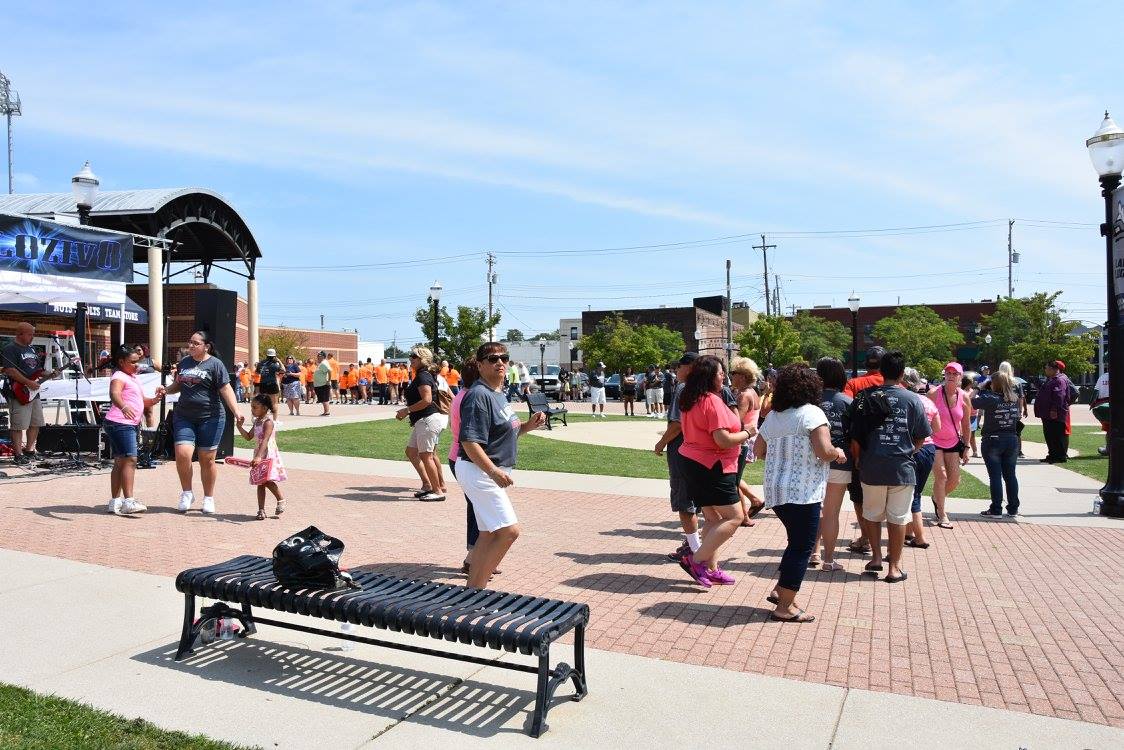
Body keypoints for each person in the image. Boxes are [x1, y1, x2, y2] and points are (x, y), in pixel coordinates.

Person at [756, 364, 846, 621]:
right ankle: (784, 606)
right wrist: (838, 453)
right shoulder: (812, 414)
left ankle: (781, 591)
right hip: (803, 492)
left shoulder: (774, 416)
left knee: (795, 543)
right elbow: (824, 451)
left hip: (777, 490)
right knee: (802, 547)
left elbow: (759, 450)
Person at [456, 342, 547, 587]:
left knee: (488, 533)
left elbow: (503, 434)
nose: (500, 362)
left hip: (486, 471)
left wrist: (529, 425)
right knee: (508, 531)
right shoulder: (478, 395)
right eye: (492, 358)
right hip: (480, 471)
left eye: (504, 358)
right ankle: (479, 589)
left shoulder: (497, 393)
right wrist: (493, 472)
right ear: (480, 364)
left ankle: (472, 593)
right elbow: (469, 442)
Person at [850, 351, 931, 583]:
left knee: (873, 514)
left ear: (880, 372)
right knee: (898, 518)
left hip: (871, 466)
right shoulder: (913, 399)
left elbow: (855, 434)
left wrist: (860, 458)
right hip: (901, 468)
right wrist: (908, 451)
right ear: (902, 373)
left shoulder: (864, 397)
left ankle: (876, 558)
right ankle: (893, 567)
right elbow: (921, 437)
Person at [674, 355, 751, 588]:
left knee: (713, 517)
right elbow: (723, 439)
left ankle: (711, 567)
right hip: (712, 466)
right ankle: (695, 560)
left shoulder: (691, 397)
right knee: (735, 517)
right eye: (720, 373)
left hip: (694, 463)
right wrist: (748, 432)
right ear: (710, 376)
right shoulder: (711, 401)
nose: (724, 377)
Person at [164, 330, 240, 514]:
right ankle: (187, 493)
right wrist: (165, 390)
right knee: (182, 454)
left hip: (211, 417)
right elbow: (178, 385)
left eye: (195, 343)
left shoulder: (215, 364)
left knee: (207, 460)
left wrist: (237, 412)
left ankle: (208, 497)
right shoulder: (184, 363)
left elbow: (226, 389)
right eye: (190, 342)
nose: (191, 345)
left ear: (206, 346)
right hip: (184, 416)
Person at [103, 345, 165, 515]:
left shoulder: (132, 377)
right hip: (121, 423)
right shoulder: (119, 376)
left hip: (121, 424)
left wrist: (154, 400)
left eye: (138, 362)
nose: (137, 366)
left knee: (120, 462)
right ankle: (129, 501)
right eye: (133, 362)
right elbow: (114, 394)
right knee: (130, 459)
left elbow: (142, 400)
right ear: (121, 362)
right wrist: (123, 407)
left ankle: (114, 502)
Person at [448, 358, 495, 576]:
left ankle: (477, 556)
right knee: (481, 509)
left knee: (478, 509)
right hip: (468, 459)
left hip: (461, 457)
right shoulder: (472, 398)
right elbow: (470, 437)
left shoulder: (463, 395)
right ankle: (474, 559)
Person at [655, 353, 702, 562]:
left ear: (690, 367)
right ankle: (693, 545)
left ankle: (696, 551)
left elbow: (677, 424)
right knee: (699, 503)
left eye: (680, 366)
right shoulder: (708, 389)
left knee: (685, 504)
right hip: (700, 452)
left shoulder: (684, 388)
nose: (677, 370)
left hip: (682, 451)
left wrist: (660, 443)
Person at [813, 357, 854, 570]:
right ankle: (828, 560)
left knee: (813, 509)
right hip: (840, 461)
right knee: (831, 512)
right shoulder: (847, 402)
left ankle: (813, 551)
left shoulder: (810, 402)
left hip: (811, 462)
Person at [397, 346, 447, 502]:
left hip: (428, 419)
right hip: (422, 420)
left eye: (414, 356)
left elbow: (427, 400)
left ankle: (437, 491)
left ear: (422, 359)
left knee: (427, 455)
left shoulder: (423, 376)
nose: (411, 358)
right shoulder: (421, 375)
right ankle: (428, 485)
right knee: (411, 452)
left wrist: (407, 410)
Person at [927, 362, 971, 529]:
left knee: (955, 480)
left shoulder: (964, 396)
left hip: (953, 442)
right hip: (934, 441)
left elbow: (966, 425)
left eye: (955, 373)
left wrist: (967, 448)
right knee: (942, 476)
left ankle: (937, 498)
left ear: (960, 377)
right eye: (948, 373)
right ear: (944, 375)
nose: (951, 376)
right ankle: (942, 515)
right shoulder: (933, 394)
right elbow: (925, 417)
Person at [974, 369, 1022, 518]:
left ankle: (996, 509)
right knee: (1010, 475)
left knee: (995, 476)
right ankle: (1013, 508)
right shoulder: (1014, 399)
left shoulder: (991, 398)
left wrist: (979, 387)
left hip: (993, 440)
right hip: (1012, 439)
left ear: (994, 384)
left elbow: (971, 401)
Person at [1, 322, 49, 465]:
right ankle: (18, 454)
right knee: (18, 424)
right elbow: (10, 370)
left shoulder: (32, 349)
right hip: (18, 392)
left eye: (33, 334)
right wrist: (28, 382)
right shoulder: (10, 349)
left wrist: (51, 374)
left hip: (34, 393)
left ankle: (29, 451)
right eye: (30, 334)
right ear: (20, 333)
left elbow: (39, 370)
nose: (32, 337)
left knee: (36, 422)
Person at [233, 394, 287, 519]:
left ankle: (281, 499)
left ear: (264, 408)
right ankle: (261, 510)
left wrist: (259, 457)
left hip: (268, 453)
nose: (252, 410)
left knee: (266, 480)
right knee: (260, 482)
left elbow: (265, 440)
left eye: (255, 407)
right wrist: (239, 427)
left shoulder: (268, 422)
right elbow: (248, 437)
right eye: (252, 407)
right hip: (259, 453)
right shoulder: (257, 422)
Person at [901, 368, 938, 549]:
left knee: (912, 495)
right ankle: (908, 532)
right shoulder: (928, 402)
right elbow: (936, 428)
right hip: (930, 449)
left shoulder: (908, 401)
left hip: (913, 449)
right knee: (916, 492)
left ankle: (920, 537)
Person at [729, 357, 765, 527]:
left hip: (742, 440)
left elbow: (737, 421)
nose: (730, 376)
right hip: (749, 439)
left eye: (733, 373)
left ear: (742, 376)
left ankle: (744, 516)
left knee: (733, 479)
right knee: (736, 476)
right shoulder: (753, 392)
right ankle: (754, 500)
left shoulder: (744, 395)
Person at [1035, 360, 1075, 463]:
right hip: (1047, 413)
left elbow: (1059, 396)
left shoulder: (1059, 380)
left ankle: (1060, 456)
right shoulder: (1051, 379)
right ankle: (1052, 455)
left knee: (1056, 435)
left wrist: (1054, 409)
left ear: (1053, 369)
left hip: (1054, 414)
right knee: (1050, 435)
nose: (1045, 370)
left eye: (1047, 368)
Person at [256, 349, 283, 416]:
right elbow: (283, 370)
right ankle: (274, 420)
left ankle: (262, 417)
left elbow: (257, 372)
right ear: (274, 356)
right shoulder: (274, 364)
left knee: (263, 402)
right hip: (272, 384)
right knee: (274, 403)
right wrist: (279, 361)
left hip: (262, 384)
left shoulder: (261, 363)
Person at [1093, 367, 1110, 456]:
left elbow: (1095, 394)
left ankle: (1109, 448)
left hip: (1104, 407)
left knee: (1109, 429)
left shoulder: (1102, 377)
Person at [313, 351, 332, 415]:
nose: (318, 357)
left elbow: (329, 371)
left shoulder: (324, 363)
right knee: (323, 399)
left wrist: (328, 381)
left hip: (323, 384)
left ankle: (327, 412)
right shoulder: (322, 363)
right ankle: (326, 411)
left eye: (319, 356)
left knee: (324, 398)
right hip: (320, 384)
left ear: (323, 356)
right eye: (318, 356)